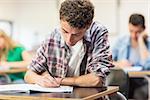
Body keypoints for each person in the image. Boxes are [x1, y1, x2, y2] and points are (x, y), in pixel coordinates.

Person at [24, 0, 114, 88]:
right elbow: (29, 75)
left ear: (88, 26)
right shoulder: (52, 37)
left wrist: (59, 81)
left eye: (76, 34)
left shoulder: (98, 32)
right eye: (65, 31)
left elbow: (96, 79)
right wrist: (39, 79)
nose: (69, 40)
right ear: (60, 20)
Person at [111, 13, 149, 99]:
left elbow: (147, 65)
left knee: (139, 94)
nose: (133, 35)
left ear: (143, 29)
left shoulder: (148, 44)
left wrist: (141, 41)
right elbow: (108, 61)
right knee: (116, 94)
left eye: (138, 32)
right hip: (123, 80)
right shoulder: (121, 41)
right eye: (131, 31)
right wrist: (119, 64)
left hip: (142, 82)